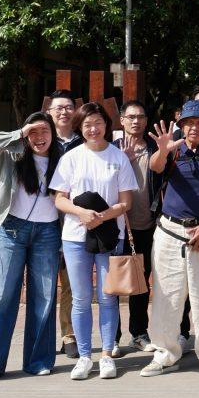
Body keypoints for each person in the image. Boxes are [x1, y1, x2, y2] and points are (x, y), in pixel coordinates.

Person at [0, 113, 63, 385]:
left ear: (53, 134)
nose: (39, 138)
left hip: (48, 232)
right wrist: (18, 133)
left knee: (44, 297)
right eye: (34, 132)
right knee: (0, 295)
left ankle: (38, 361)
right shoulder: (12, 156)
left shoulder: (63, 159)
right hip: (12, 230)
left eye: (45, 131)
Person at [141, 100, 199, 378]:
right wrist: (162, 149)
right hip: (170, 231)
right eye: (189, 122)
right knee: (166, 294)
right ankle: (165, 353)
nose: (194, 127)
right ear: (181, 125)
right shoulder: (171, 149)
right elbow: (156, 167)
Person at [50, 103, 138, 380]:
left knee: (108, 296)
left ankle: (107, 354)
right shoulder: (71, 158)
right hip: (75, 236)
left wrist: (102, 217)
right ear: (80, 127)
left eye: (98, 123)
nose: (93, 129)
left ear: (106, 125)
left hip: (110, 235)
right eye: (87, 124)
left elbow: (126, 201)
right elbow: (59, 198)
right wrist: (81, 213)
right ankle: (85, 356)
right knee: (80, 297)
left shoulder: (118, 157)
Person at [113, 100, 162, 354]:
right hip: (117, 226)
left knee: (141, 283)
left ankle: (139, 333)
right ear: (122, 120)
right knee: (114, 283)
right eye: (131, 117)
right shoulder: (111, 150)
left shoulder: (155, 148)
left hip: (147, 225)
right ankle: (112, 337)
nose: (136, 121)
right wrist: (124, 161)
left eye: (140, 116)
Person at [46, 89, 82, 359]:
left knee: (71, 283)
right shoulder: (42, 141)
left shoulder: (84, 143)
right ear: (49, 112)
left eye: (68, 107)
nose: (63, 112)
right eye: (58, 107)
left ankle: (69, 334)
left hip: (73, 221)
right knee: (45, 284)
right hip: (43, 221)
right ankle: (44, 337)